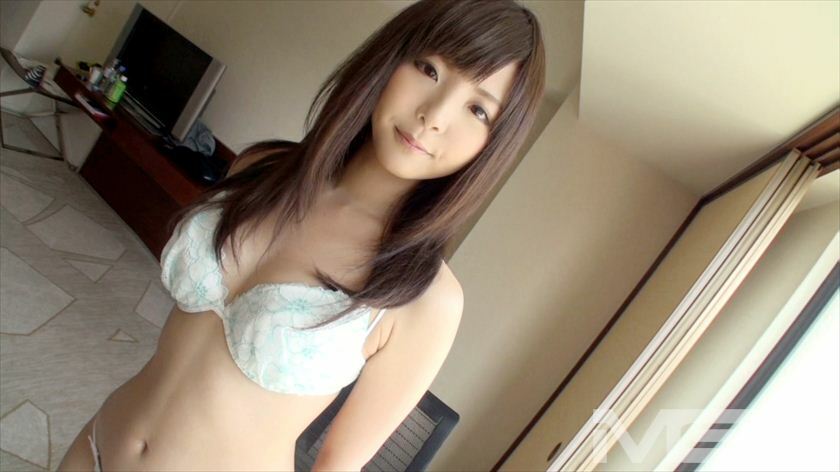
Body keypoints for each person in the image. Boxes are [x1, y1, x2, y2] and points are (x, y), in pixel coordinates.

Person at [58, 0, 544, 469]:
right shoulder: (263, 168)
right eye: (429, 69)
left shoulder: (425, 298)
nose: (435, 116)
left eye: (478, 110)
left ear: (493, 144)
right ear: (390, 59)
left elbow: (338, 464)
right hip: (96, 445)